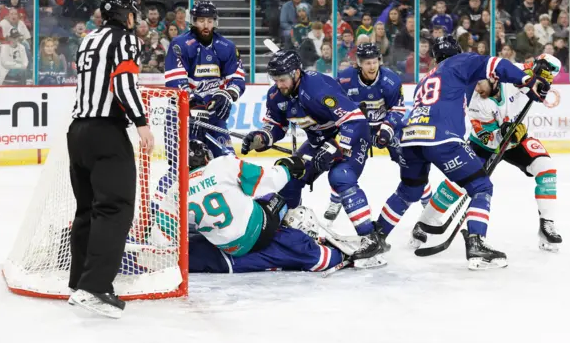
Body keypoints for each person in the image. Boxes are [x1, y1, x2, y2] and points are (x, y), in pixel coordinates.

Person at [377, 35, 552, 270]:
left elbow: (520, 70)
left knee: (409, 190)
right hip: (446, 139)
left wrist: (534, 71)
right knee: (481, 186)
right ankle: (477, 242)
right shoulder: (463, 65)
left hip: (412, 139)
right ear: (458, 52)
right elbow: (499, 65)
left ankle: (376, 237)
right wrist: (527, 80)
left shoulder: (428, 78)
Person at [241, 50, 387, 262]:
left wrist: (333, 148)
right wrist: (261, 138)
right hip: (318, 140)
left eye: (282, 79)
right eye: (276, 80)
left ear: (296, 73)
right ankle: (288, 235)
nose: (279, 85)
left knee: (340, 177)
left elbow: (354, 120)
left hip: (350, 135)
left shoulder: (317, 88)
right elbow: (275, 126)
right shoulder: (276, 96)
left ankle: (370, 237)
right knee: (290, 175)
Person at [409, 55, 563, 253]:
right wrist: (503, 134)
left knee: (546, 170)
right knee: (457, 184)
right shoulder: (474, 101)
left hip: (518, 138)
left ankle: (546, 225)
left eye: (480, 82)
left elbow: (538, 69)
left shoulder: (511, 72)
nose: (477, 88)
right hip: (485, 143)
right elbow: (487, 137)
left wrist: (542, 73)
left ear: (494, 78)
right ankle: (424, 221)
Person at [66, 0, 155, 318]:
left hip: (77, 134)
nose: (135, 19)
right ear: (125, 15)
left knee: (87, 210)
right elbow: (123, 85)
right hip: (107, 133)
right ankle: (96, 287)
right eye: (133, 13)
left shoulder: (89, 38)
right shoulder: (127, 40)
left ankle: (78, 283)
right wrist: (142, 123)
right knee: (115, 209)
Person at [153, 140, 346, 273]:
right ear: (206, 158)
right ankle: (304, 230)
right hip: (259, 232)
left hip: (229, 248)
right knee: (275, 198)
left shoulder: (175, 191)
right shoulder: (221, 165)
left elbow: (160, 238)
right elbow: (269, 180)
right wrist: (287, 166)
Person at [156, 0, 245, 208]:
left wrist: (227, 95)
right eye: (200, 20)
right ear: (192, 21)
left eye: (209, 20)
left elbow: (237, 79)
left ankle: (235, 212)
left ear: (215, 22)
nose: (205, 25)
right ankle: (154, 213)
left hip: (213, 116)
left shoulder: (226, 47)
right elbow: (176, 85)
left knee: (229, 163)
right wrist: (193, 108)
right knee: (181, 168)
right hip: (180, 116)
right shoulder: (179, 45)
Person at [324, 42, 423, 225]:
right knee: (344, 165)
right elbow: (335, 105)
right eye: (367, 63)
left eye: (374, 62)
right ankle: (335, 199)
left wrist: (386, 128)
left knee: (412, 161)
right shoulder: (345, 80)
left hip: (385, 127)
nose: (372, 66)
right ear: (358, 63)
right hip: (358, 129)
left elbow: (398, 109)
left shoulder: (391, 80)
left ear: (380, 61)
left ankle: (426, 199)